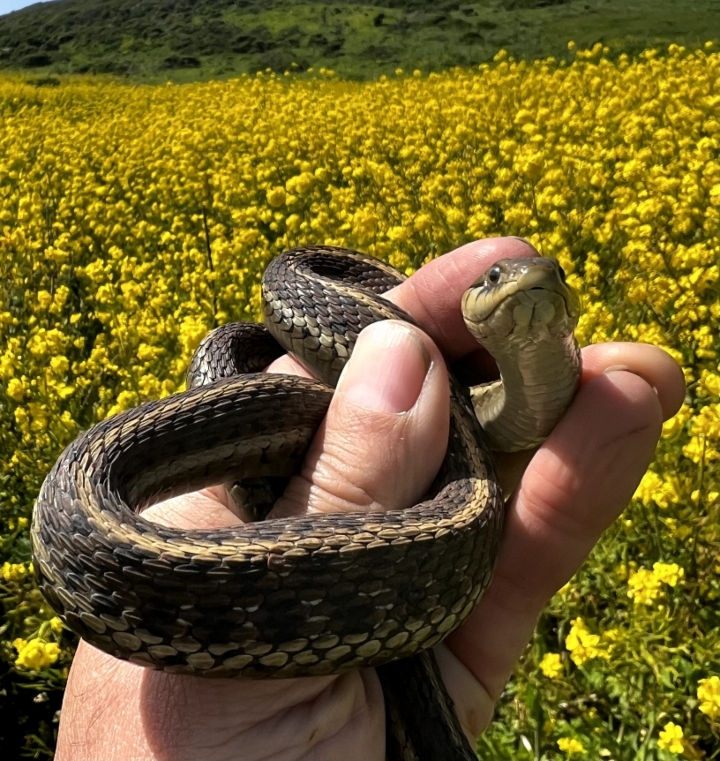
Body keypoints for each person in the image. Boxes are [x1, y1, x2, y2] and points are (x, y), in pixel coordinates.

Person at [54, 237, 685, 760]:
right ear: (473, 303)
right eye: (494, 278)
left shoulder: (468, 498)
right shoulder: (317, 290)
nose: (527, 280)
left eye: (553, 276)